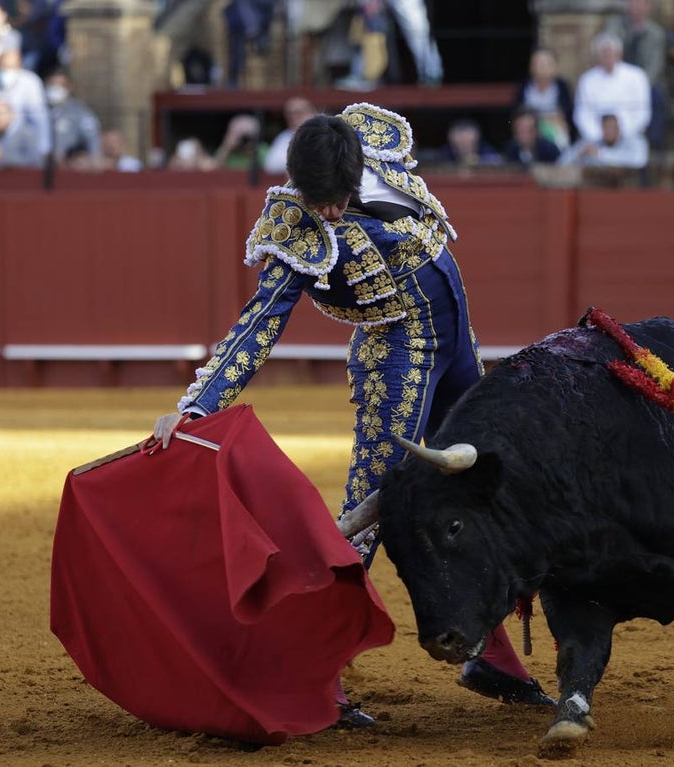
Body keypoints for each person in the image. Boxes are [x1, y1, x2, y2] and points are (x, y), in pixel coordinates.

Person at [150, 103, 555, 728]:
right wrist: (197, 405)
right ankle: (316, 679)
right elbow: (259, 324)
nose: (331, 213)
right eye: (320, 203)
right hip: (398, 355)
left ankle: (493, 657)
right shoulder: (296, 229)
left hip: (456, 343)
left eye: (337, 198)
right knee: (369, 510)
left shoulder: (370, 143)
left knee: (480, 487)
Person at [573, 34, 652, 160]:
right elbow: (582, 114)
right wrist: (600, 135)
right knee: (577, 154)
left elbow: (642, 113)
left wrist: (620, 134)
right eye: (604, 55)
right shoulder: (587, 80)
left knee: (639, 153)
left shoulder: (636, 76)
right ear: (598, 57)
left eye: (611, 54)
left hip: (628, 136)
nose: (608, 58)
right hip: (596, 138)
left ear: (619, 54)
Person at [605, 0, 668, 147]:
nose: (636, 8)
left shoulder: (656, 33)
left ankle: (655, 144)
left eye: (640, 4)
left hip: (646, 83)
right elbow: (608, 51)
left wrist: (638, 86)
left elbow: (655, 66)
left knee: (657, 97)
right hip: (617, 79)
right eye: (633, 3)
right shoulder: (614, 26)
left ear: (648, 7)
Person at [512, 46, 574, 151]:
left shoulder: (562, 87)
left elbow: (567, 115)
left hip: (555, 132)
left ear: (554, 66)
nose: (542, 68)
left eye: (546, 64)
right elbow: (517, 114)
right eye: (538, 64)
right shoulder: (524, 87)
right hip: (529, 131)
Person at [45, 68, 101, 165]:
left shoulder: (80, 112)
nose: (56, 88)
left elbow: (92, 139)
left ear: (69, 87)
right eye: (52, 84)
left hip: (68, 165)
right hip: (39, 165)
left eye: (61, 85)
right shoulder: (37, 110)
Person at [0, 99, 42, 167]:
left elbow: (34, 159)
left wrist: (3, 157)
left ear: (11, 115)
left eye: (0, 114)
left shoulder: (27, 133)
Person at [262, 95, 316, 174]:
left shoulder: (323, 134)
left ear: (311, 112)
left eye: (298, 113)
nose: (293, 117)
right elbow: (271, 165)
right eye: (290, 114)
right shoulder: (284, 136)